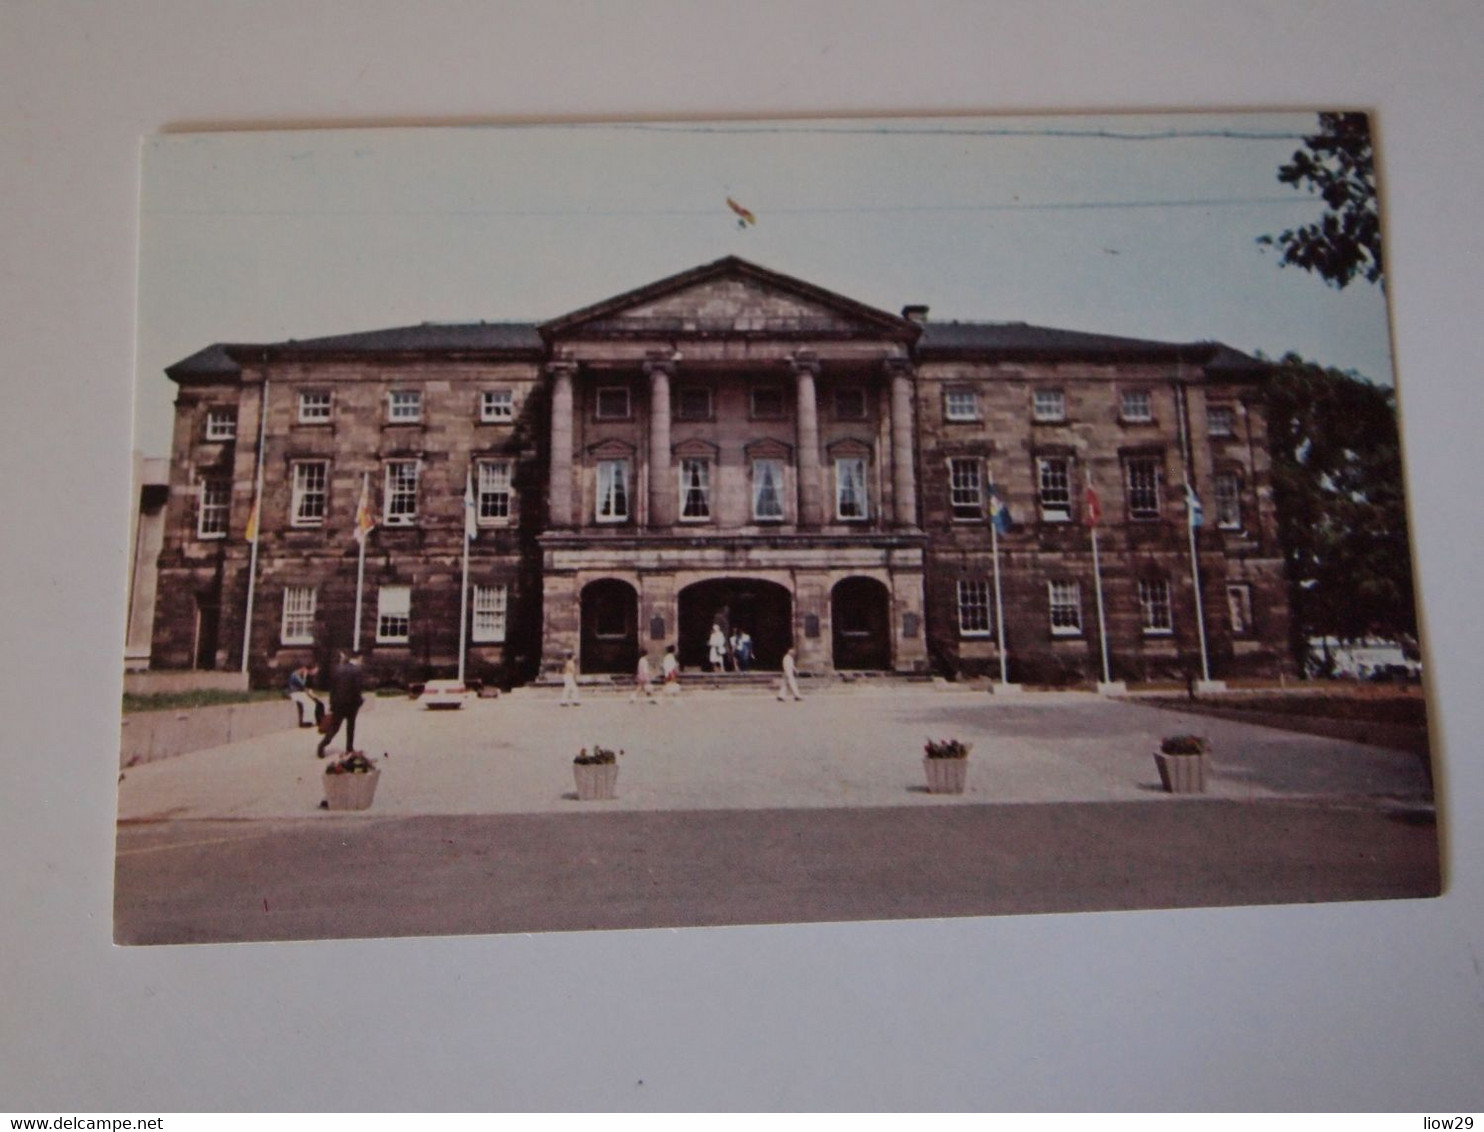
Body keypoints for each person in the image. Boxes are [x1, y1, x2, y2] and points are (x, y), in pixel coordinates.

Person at [317, 653, 365, 758]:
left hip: (338, 703)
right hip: (352, 703)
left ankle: (322, 744)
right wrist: (360, 700)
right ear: (358, 658)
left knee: (335, 726)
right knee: (351, 726)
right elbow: (357, 689)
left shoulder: (337, 670)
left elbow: (332, 688)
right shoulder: (357, 671)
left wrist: (332, 703)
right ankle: (349, 747)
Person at [286, 663, 321, 728]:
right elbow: (302, 684)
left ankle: (311, 720)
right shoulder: (295, 675)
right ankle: (306, 721)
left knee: (312, 703)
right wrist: (305, 676)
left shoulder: (299, 675)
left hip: (299, 693)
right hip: (294, 693)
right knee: (308, 702)